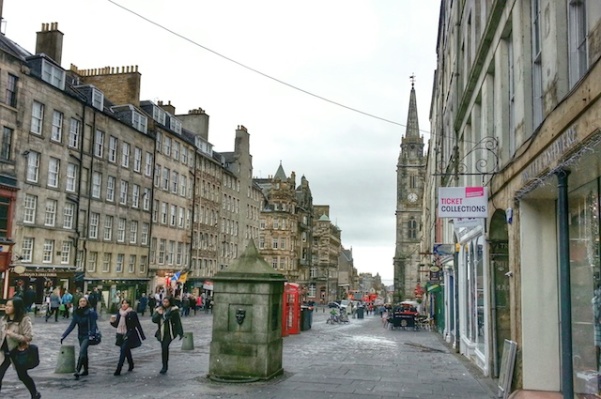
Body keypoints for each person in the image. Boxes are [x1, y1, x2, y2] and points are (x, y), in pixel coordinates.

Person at [0, 296, 41, 399]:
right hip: (3, 353)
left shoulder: (24, 319)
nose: (7, 308)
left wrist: (12, 334)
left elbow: (28, 337)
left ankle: (35, 394)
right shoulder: (4, 319)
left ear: (16, 307)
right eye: (6, 305)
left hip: (17, 352)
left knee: (22, 376)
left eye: (10, 306)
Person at [60, 297, 98, 380]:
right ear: (78, 303)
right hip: (80, 335)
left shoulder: (90, 312)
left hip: (88, 335)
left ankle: (77, 370)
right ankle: (86, 370)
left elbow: (93, 325)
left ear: (87, 302)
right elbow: (72, 325)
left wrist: (92, 334)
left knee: (82, 351)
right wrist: (64, 335)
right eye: (81, 301)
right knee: (84, 352)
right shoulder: (76, 313)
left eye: (84, 301)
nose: (82, 302)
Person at [110, 298, 145, 376]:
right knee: (126, 350)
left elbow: (137, 324)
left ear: (129, 304)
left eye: (126, 303)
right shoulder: (119, 313)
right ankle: (131, 364)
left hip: (129, 334)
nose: (124, 305)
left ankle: (118, 369)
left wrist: (142, 336)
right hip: (120, 334)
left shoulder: (132, 313)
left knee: (123, 350)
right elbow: (116, 325)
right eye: (123, 303)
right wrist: (112, 322)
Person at [152, 296, 184, 374]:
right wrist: (158, 314)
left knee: (165, 347)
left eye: (167, 302)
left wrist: (180, 333)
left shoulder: (174, 310)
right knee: (164, 349)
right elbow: (154, 320)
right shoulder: (159, 309)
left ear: (170, 302)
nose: (165, 303)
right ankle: (164, 365)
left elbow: (177, 322)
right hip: (161, 332)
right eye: (164, 301)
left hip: (170, 332)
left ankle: (165, 367)